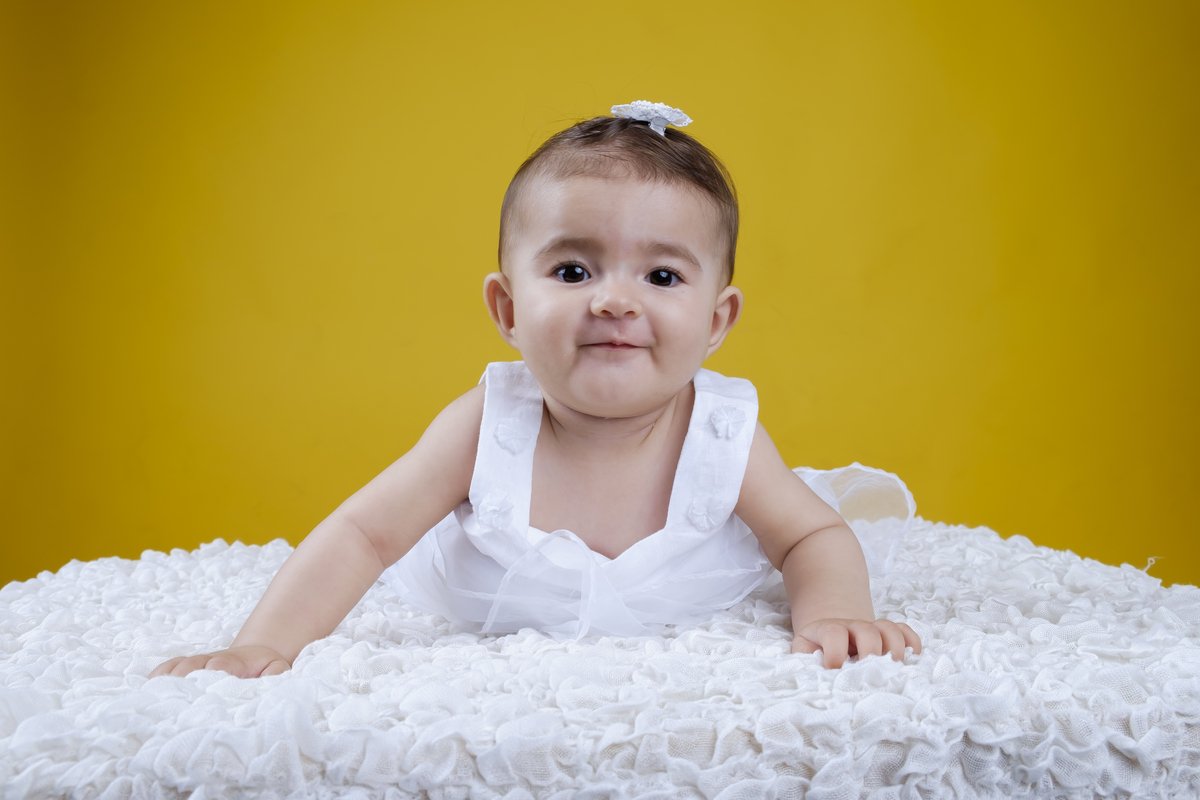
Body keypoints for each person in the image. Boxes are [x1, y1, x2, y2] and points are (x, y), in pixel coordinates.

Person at [150, 101, 921, 679]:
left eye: (661, 275)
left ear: (717, 321)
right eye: (573, 271)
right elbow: (365, 534)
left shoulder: (720, 432)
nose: (614, 301)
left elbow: (810, 536)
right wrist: (263, 645)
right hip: (495, 600)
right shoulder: (486, 423)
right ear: (508, 310)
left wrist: (837, 616)